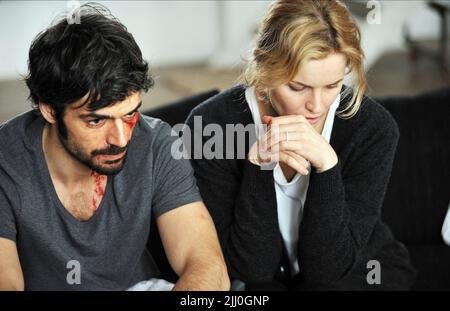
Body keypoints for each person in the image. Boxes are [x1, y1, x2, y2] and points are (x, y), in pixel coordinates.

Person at [185, 0, 416, 290]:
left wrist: (328, 167)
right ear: (264, 69)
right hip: (262, 277)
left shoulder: (372, 128)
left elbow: (328, 270)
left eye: (332, 85)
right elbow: (251, 269)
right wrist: (258, 166)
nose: (316, 106)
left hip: (358, 267)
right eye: (298, 87)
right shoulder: (211, 125)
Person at [0, 4, 229, 291]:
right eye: (96, 120)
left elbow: (206, 265)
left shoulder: (157, 143)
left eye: (130, 114)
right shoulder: (5, 160)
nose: (121, 139)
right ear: (49, 110)